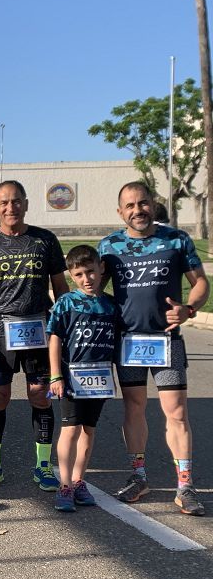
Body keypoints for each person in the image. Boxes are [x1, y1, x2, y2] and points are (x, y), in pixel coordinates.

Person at [99, 182, 208, 515]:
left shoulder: (176, 240)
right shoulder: (109, 246)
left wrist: (189, 309)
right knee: (133, 408)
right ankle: (139, 476)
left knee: (176, 412)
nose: (137, 210)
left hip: (166, 340)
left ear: (153, 205)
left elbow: (201, 282)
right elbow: (92, 288)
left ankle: (185, 486)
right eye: (129, 205)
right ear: (120, 212)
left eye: (143, 203)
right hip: (128, 341)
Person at [0, 180, 68, 492]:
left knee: (39, 393)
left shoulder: (45, 240)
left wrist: (68, 327)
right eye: (4, 203)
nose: (11, 208)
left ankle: (42, 465)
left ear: (25, 203)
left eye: (16, 201)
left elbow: (61, 287)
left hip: (39, 330)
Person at [47, 245, 119, 513]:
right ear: (71, 276)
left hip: (100, 377)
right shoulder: (66, 302)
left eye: (90, 271)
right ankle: (64, 485)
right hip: (72, 376)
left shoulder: (111, 304)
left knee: (89, 429)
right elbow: (54, 338)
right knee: (70, 429)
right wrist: (55, 375)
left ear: (101, 269)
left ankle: (79, 480)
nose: (86, 279)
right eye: (78, 275)